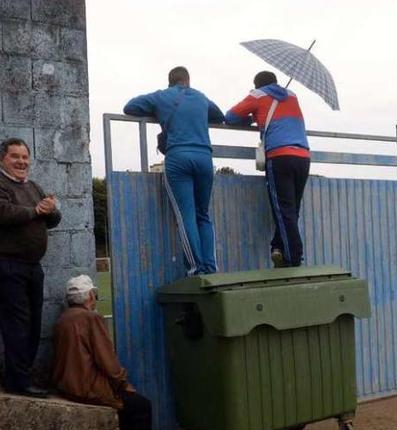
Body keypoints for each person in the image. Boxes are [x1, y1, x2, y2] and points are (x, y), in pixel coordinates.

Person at [0, 138, 61, 397]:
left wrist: (50, 209)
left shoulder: (33, 186)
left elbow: (52, 220)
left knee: (33, 324)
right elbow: (2, 214)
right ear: (2, 159)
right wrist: (37, 210)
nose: (22, 162)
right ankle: (19, 382)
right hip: (6, 266)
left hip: (32, 267)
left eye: (25, 157)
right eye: (15, 157)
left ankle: (19, 377)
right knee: (17, 325)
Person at [52, 275, 161, 430]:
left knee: (128, 404)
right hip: (86, 387)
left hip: (65, 384)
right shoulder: (91, 319)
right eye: (94, 294)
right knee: (140, 405)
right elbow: (107, 361)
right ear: (90, 297)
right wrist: (123, 383)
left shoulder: (63, 319)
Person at [123, 66, 224, 276]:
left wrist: (158, 111)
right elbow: (219, 116)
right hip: (205, 157)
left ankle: (196, 269)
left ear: (170, 81)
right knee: (203, 215)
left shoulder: (161, 96)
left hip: (178, 158)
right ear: (188, 80)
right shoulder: (201, 97)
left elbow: (129, 107)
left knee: (185, 215)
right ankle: (211, 267)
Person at [225, 71, 311, 268]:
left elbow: (230, 117)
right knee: (292, 209)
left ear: (257, 85)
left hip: (279, 156)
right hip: (303, 157)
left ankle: (293, 259)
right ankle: (278, 247)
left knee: (283, 210)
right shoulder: (292, 95)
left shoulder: (258, 95)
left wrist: (251, 119)